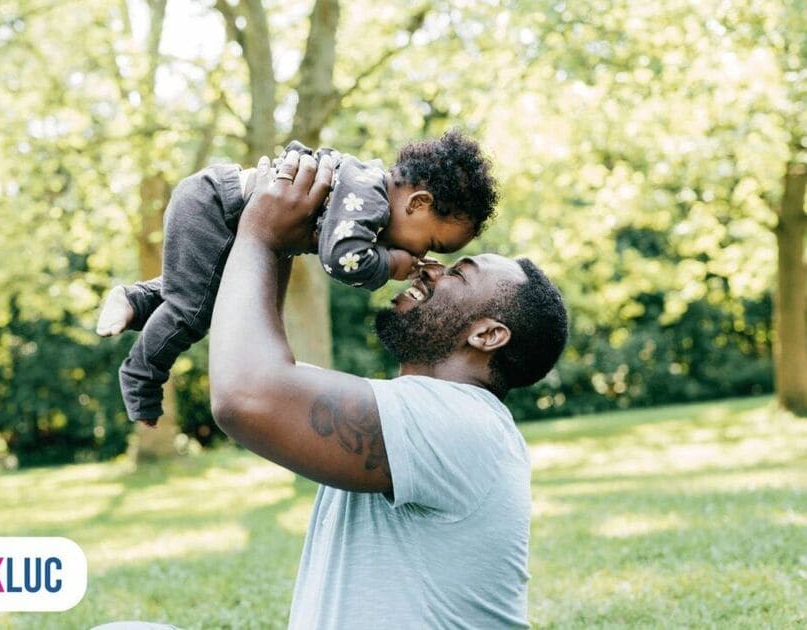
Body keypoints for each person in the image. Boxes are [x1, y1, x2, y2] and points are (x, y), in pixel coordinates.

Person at [203, 153, 569, 629]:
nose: (430, 267)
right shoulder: (423, 410)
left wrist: (261, 234)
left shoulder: (460, 421)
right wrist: (285, 241)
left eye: (458, 273)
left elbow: (245, 394)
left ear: (487, 335)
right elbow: (263, 368)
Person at [97, 131, 499, 425]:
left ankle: (134, 300)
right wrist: (391, 265)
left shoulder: (367, 190)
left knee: (205, 294)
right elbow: (342, 259)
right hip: (216, 208)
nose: (421, 256)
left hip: (215, 205)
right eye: (430, 242)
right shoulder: (370, 197)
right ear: (419, 202)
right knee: (191, 314)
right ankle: (141, 378)